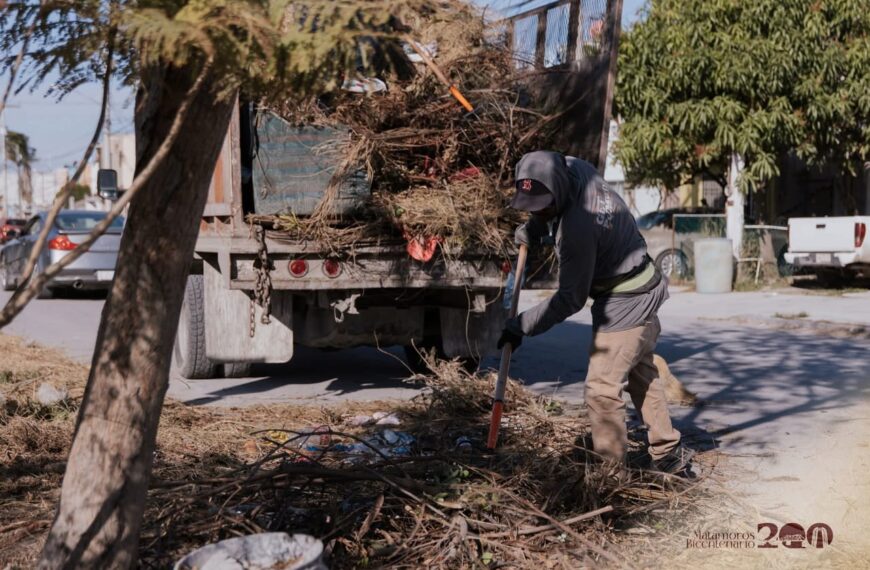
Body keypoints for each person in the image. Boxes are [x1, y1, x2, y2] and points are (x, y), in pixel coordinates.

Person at [499, 150, 694, 475]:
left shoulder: (577, 230)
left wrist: (521, 325)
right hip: (645, 282)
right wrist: (536, 227)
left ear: (558, 189)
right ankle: (668, 453)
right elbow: (550, 203)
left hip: (626, 300)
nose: (542, 210)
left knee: (602, 389)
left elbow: (571, 299)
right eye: (533, 205)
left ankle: (611, 475)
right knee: (641, 373)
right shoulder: (576, 168)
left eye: (545, 204)